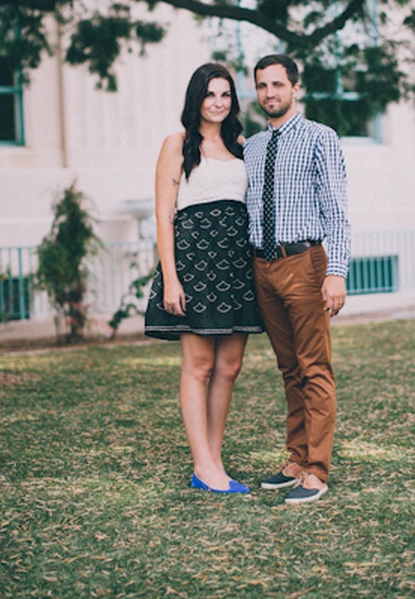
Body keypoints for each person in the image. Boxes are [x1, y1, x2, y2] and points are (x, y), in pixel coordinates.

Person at [144, 62, 263, 494]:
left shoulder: (243, 145)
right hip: (194, 264)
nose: (218, 102)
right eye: (211, 94)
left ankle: (212, 462)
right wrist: (171, 279)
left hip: (236, 264)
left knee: (229, 366)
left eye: (226, 94)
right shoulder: (176, 144)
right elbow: (163, 215)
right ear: (197, 98)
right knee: (199, 366)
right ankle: (203, 464)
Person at [243, 54, 351, 505]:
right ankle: (296, 457)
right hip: (262, 268)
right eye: (263, 86)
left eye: (278, 85)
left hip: (304, 262)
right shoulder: (250, 147)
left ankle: (317, 471)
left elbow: (337, 210)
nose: (270, 93)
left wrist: (336, 272)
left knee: (314, 368)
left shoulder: (319, 139)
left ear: (296, 87)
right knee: (289, 369)